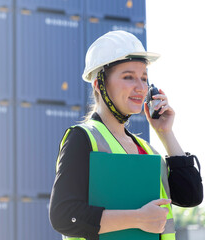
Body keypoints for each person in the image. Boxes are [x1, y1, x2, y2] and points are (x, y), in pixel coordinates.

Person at [49, 30, 203, 240]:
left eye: (144, 78)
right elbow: (63, 216)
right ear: (99, 85)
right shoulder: (83, 138)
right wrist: (138, 218)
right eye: (128, 77)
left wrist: (165, 133)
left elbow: (190, 196)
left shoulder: (145, 149)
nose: (141, 87)